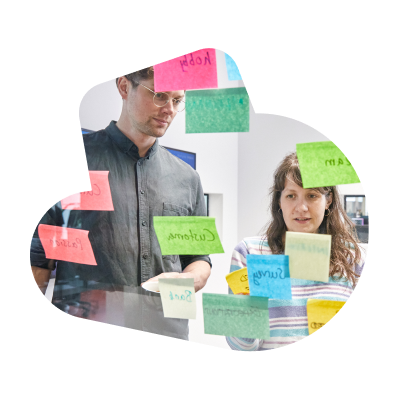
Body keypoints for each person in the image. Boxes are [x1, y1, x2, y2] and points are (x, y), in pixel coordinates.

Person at [30, 67, 212, 339]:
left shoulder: (187, 179)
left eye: (177, 100)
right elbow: (38, 260)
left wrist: (191, 278)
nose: (170, 110)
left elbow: (198, 258)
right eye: (160, 95)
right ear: (125, 87)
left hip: (169, 329)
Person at [226, 152, 366, 351]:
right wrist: (249, 309)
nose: (301, 207)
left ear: (328, 201)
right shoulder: (251, 252)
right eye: (291, 196)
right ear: (279, 201)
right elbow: (240, 345)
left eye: (312, 195)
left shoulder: (353, 257)